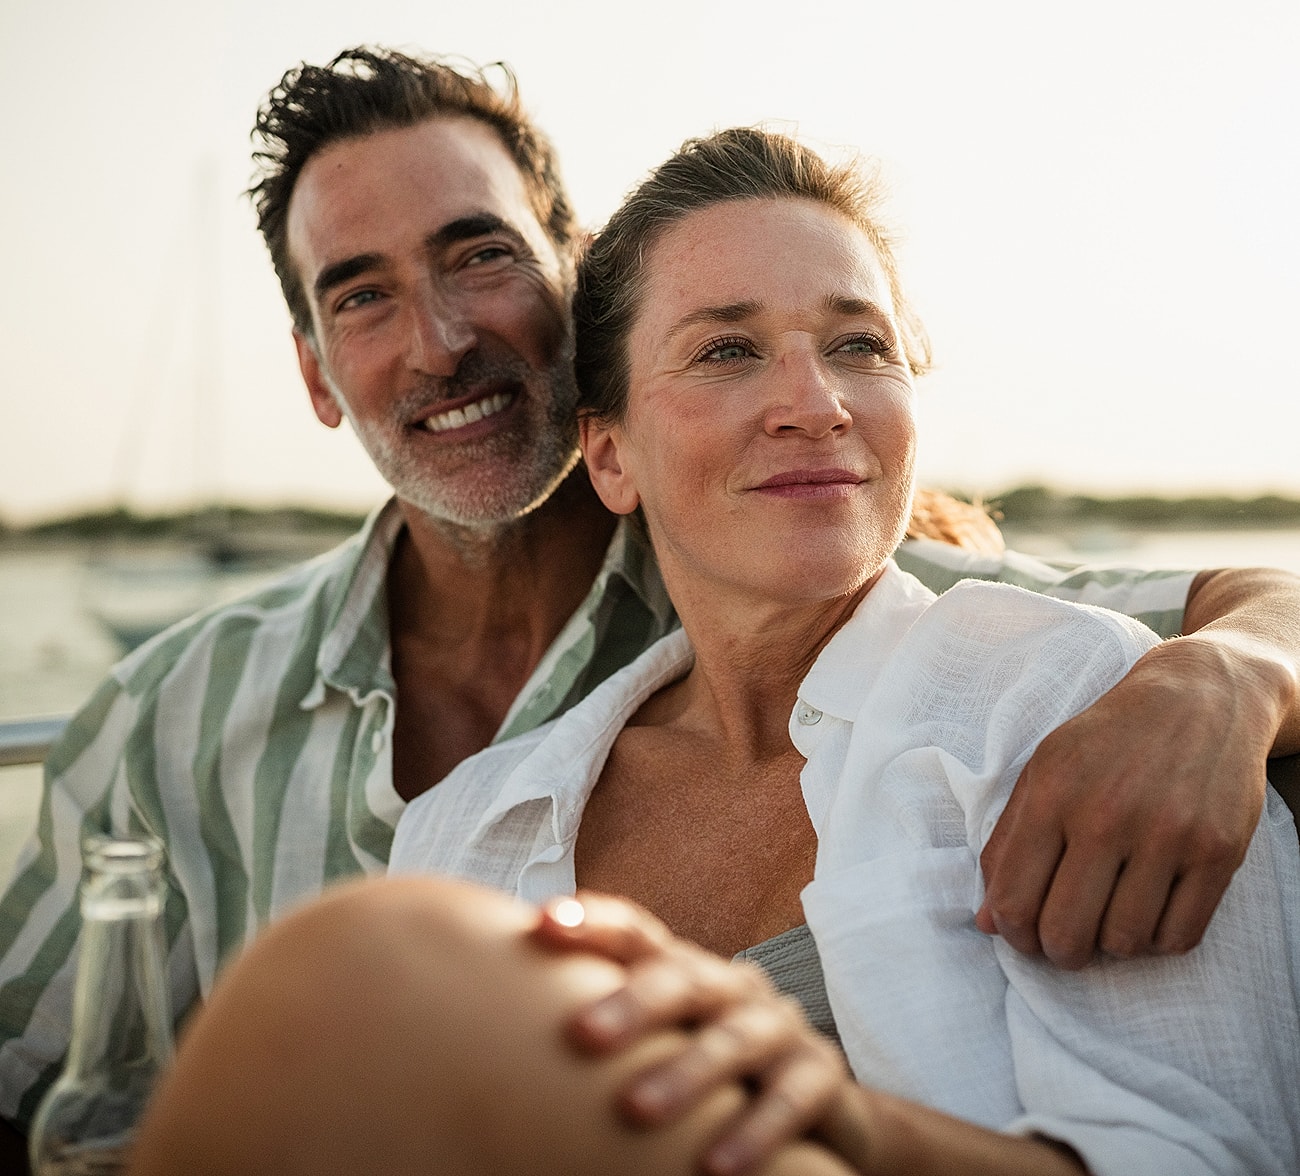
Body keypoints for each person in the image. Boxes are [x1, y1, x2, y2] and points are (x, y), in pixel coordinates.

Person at [1, 43, 1298, 1161]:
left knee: (346, 968)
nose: (441, 338)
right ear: (318, 374)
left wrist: (1226, 672)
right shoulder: (174, 717)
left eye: (481, 256)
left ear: (573, 290)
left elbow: (1195, 615)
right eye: (363, 296)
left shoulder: (934, 623)